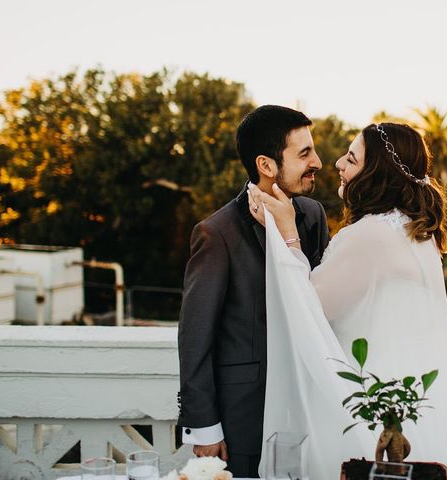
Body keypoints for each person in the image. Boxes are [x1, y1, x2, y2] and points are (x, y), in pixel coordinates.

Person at [248, 123, 447, 480]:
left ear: (376, 175)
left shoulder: (371, 235)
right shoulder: (416, 230)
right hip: (408, 406)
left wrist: (288, 234)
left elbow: (310, 312)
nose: (338, 163)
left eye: (352, 159)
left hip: (365, 414)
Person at [177, 105, 330, 478]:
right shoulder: (218, 234)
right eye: (304, 153)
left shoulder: (312, 215)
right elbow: (196, 338)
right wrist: (205, 426)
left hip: (311, 407)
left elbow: (320, 304)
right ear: (266, 164)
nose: (319, 162)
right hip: (245, 416)